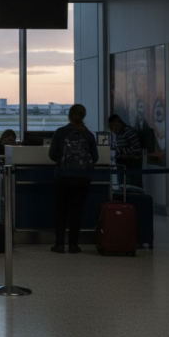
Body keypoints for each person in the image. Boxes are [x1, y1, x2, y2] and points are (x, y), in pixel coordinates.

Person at [48, 103, 98, 254]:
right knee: (76, 212)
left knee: (61, 211)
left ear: (69, 116)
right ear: (83, 116)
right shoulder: (88, 135)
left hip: (62, 177)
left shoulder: (61, 132)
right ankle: (74, 245)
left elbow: (52, 155)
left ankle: (59, 244)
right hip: (82, 179)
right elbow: (95, 158)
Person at [108, 113, 143, 189]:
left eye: (112, 128)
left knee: (133, 188)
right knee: (122, 188)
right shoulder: (118, 135)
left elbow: (137, 150)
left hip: (132, 165)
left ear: (116, 125)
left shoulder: (129, 132)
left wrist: (117, 152)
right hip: (121, 165)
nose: (112, 131)